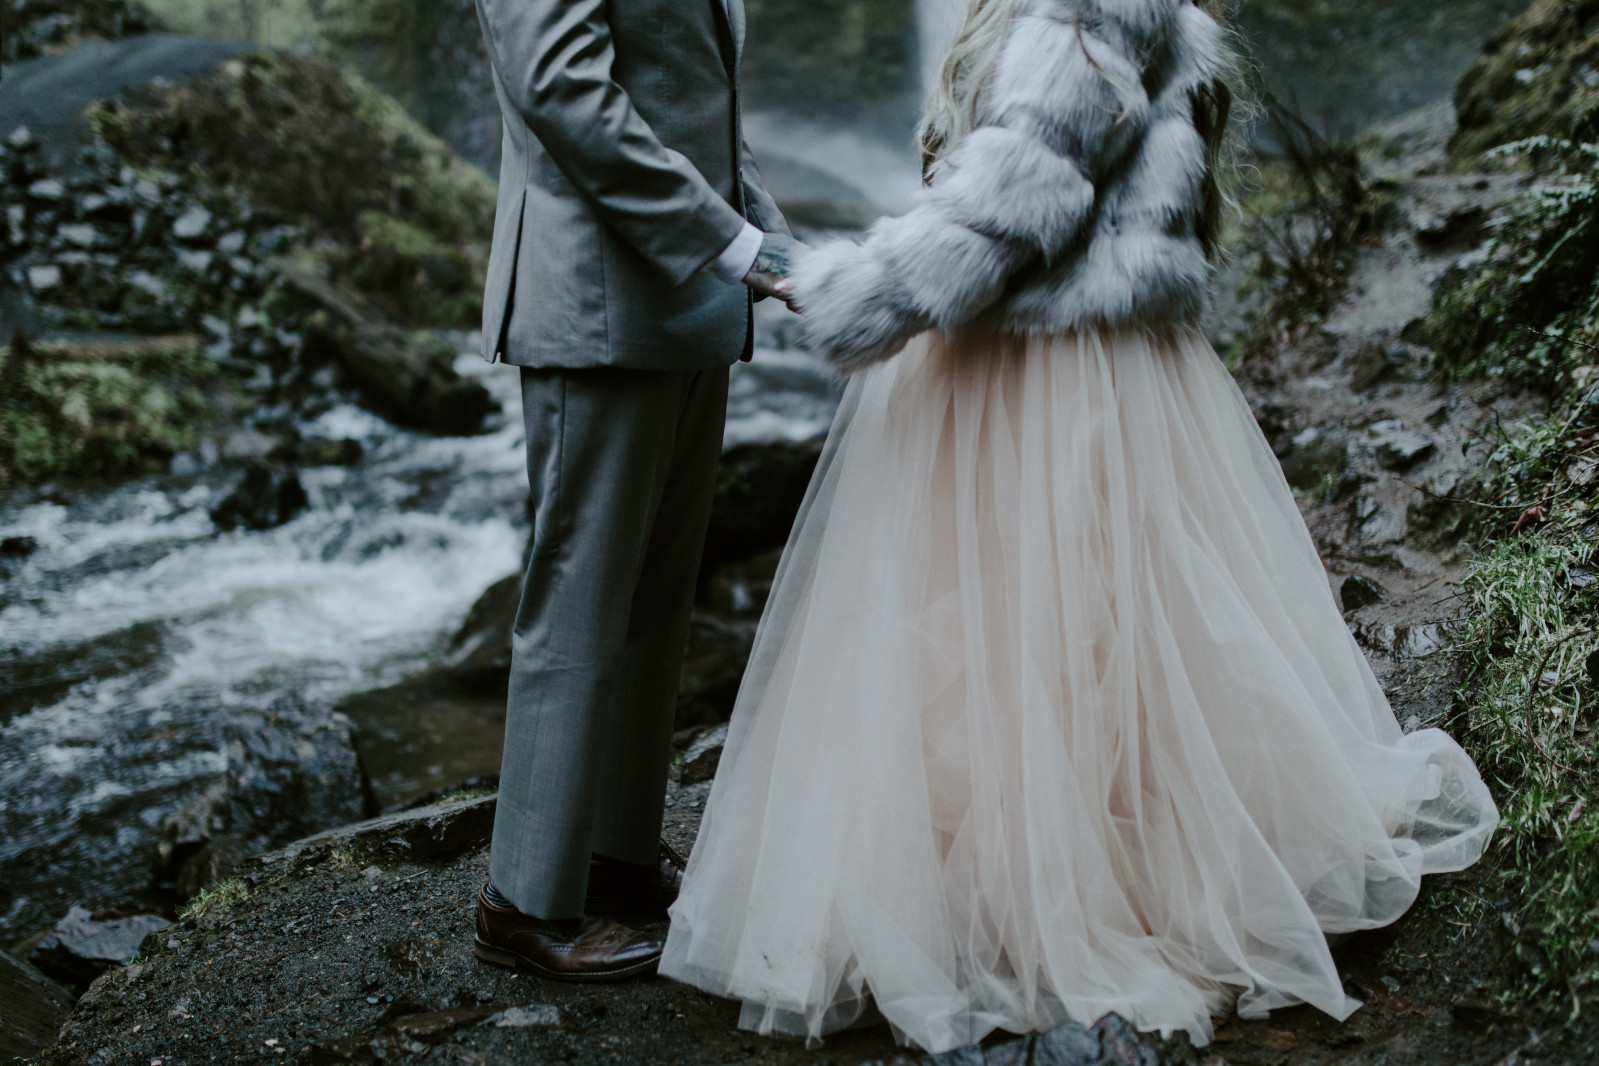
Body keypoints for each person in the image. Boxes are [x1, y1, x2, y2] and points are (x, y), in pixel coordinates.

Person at [660, 0, 1499, 1052]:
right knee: (1105, 610)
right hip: (1113, 362)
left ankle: (1067, 886)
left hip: (1040, 362)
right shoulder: (1139, 18)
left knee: (1038, 619)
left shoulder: (1088, 18)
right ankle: (1098, 846)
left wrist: (838, 291)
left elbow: (1003, 217)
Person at [466, 0, 796, 982]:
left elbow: (695, 105)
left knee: (656, 594)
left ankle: (614, 851)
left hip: (686, 300)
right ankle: (524, 899)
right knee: (578, 595)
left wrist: (772, 241)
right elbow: (564, 93)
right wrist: (739, 249)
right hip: (596, 290)